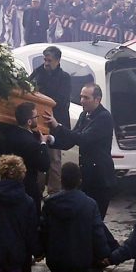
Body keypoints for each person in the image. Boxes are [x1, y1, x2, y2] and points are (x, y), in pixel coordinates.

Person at [0, 101, 51, 272]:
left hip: (5, 187)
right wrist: (42, 144)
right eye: (35, 116)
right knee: (27, 229)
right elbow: (44, 165)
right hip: (28, 189)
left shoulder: (7, 135)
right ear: (28, 121)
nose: (37, 119)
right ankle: (24, 271)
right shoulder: (31, 143)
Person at [40, 162, 111, 272]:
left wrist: (39, 250)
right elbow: (97, 231)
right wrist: (103, 253)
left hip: (57, 255)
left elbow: (43, 229)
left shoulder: (50, 203)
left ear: (61, 180)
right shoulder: (90, 204)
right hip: (80, 256)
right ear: (80, 180)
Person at [43, 83, 115, 218]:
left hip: (100, 177)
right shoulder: (84, 115)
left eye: (86, 98)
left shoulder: (103, 117)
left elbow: (83, 139)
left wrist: (57, 126)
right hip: (87, 176)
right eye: (81, 97)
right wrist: (51, 139)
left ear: (97, 100)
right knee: (85, 216)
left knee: (96, 219)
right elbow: (71, 140)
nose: (82, 101)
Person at [30, 46, 71, 194]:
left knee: (54, 160)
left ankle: (54, 192)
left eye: (49, 60)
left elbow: (62, 100)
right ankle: (37, 189)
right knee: (39, 156)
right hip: (38, 122)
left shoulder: (64, 78)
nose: (46, 63)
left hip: (55, 122)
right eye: (45, 59)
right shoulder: (38, 73)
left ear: (58, 61)